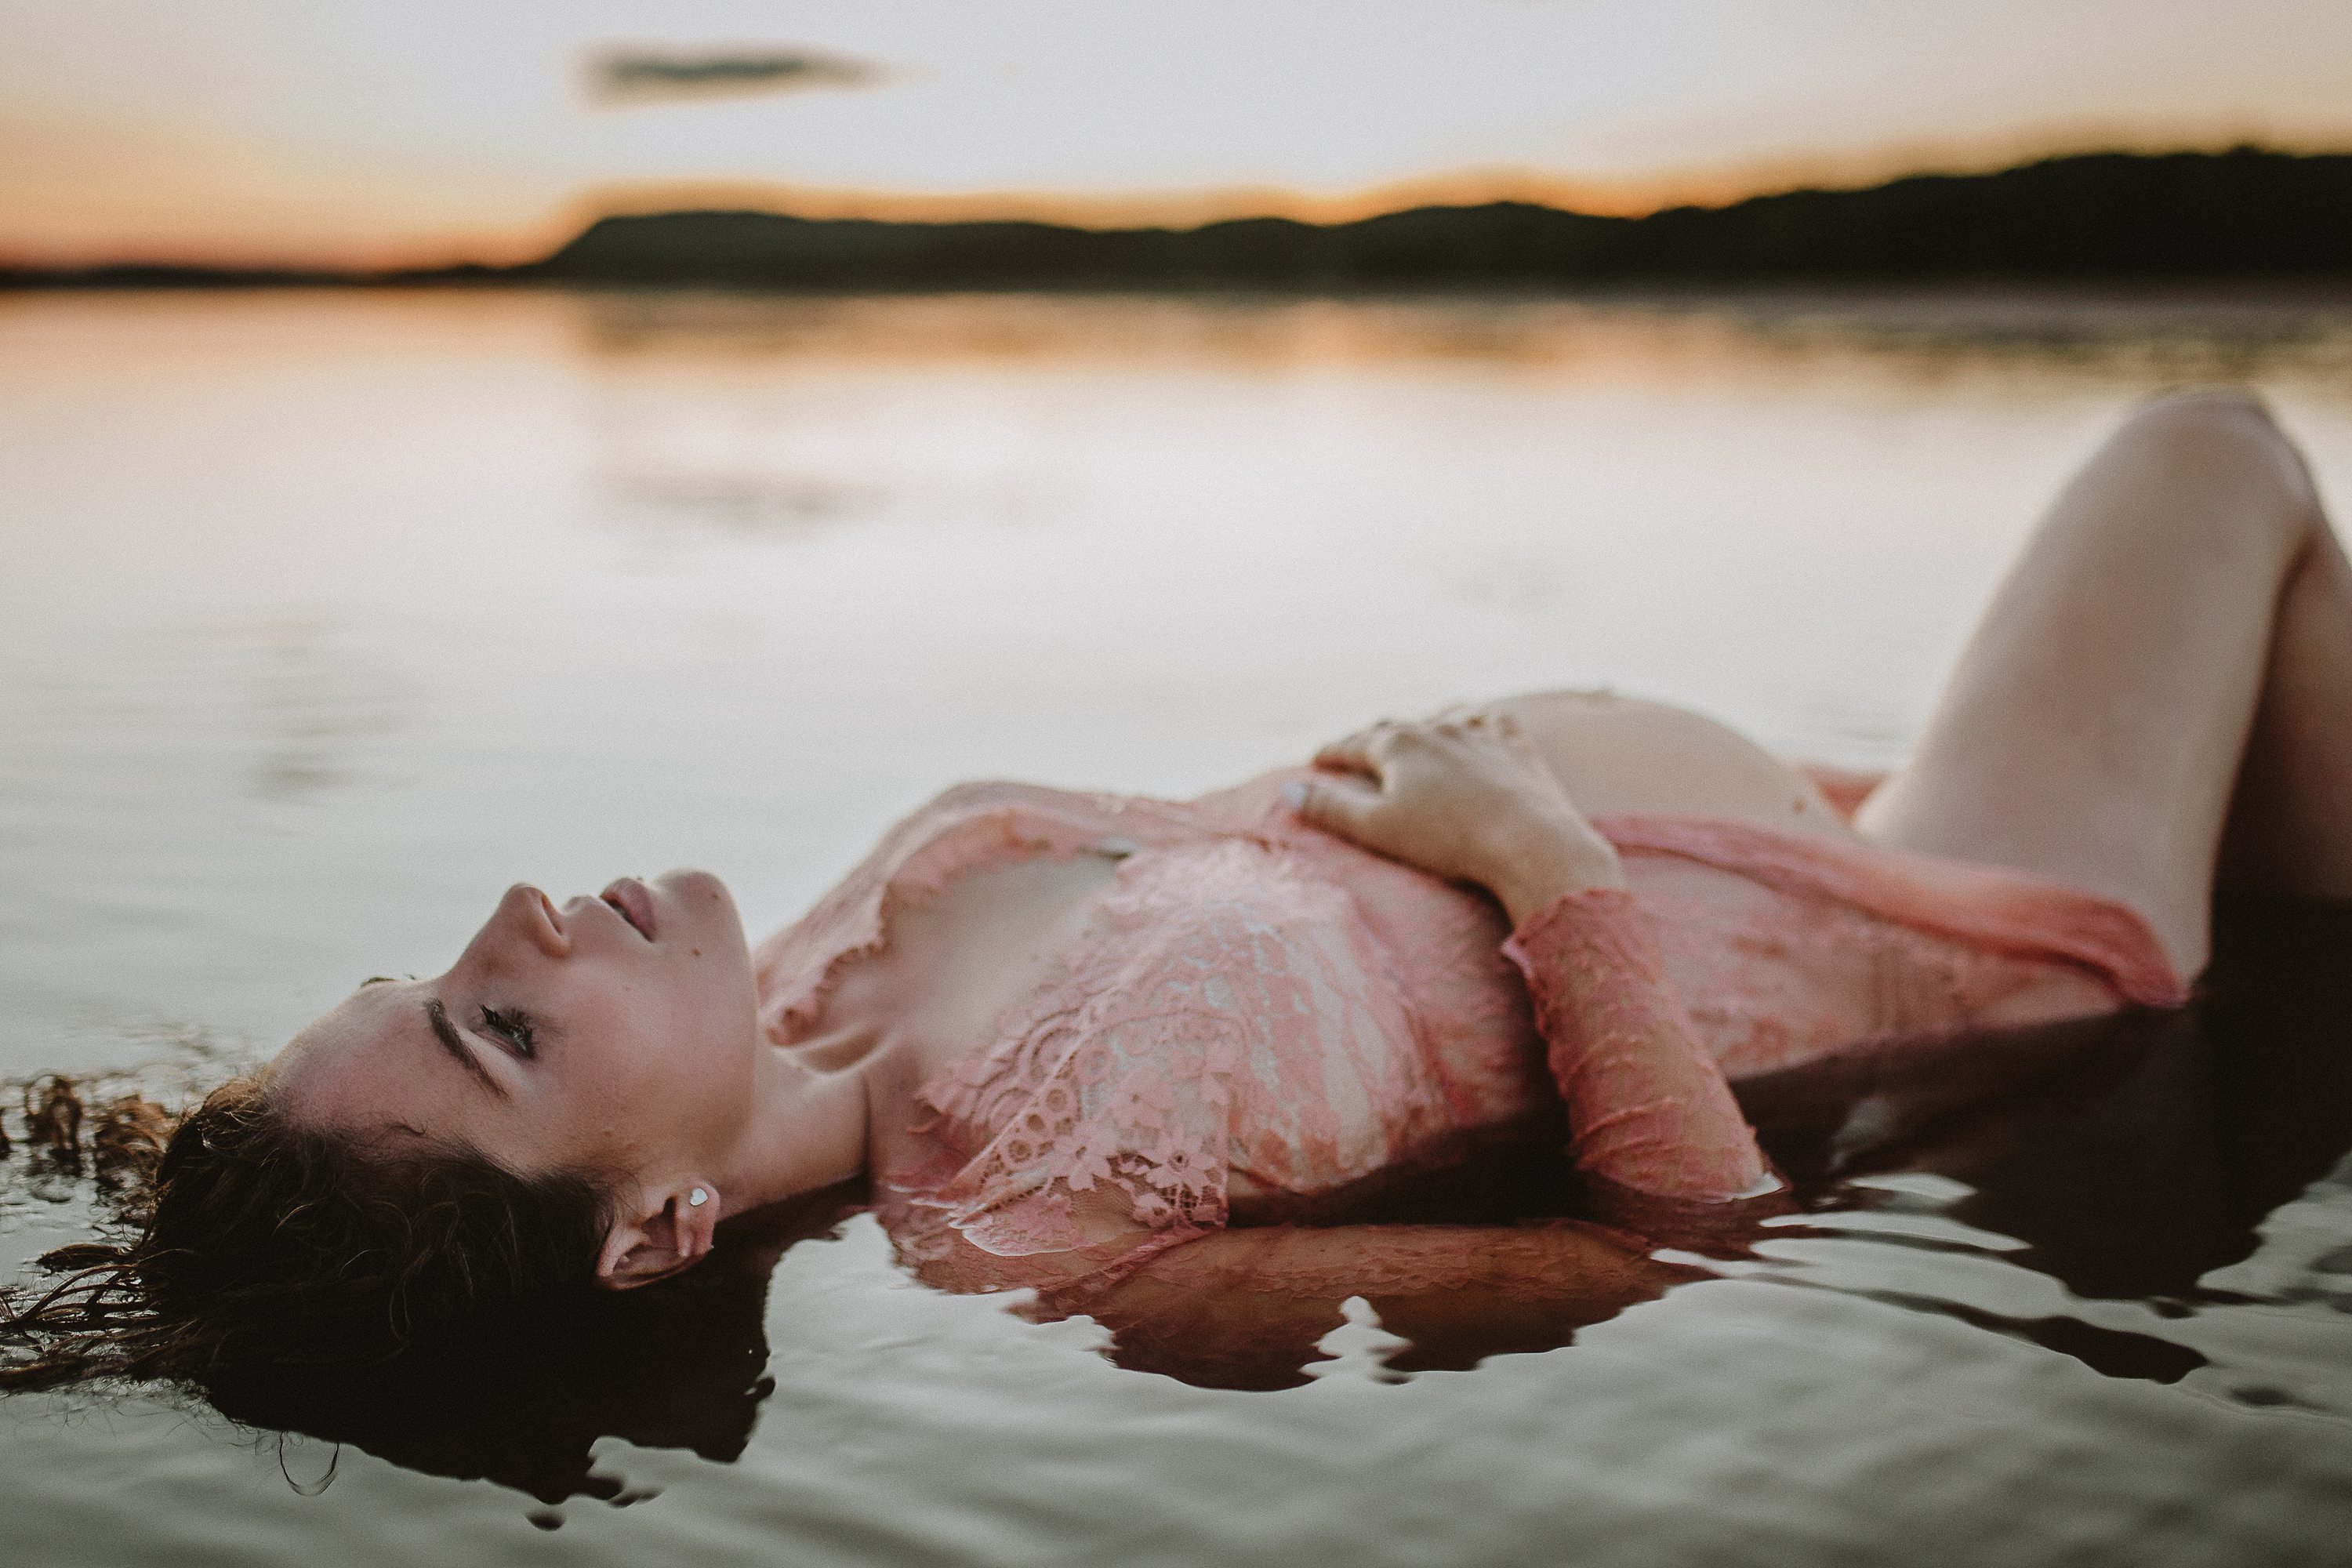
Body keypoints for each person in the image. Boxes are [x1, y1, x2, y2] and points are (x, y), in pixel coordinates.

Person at [5, 387, 2344, 1395]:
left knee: (2283, 626)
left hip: (1821, 810)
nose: (509, 921)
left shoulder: (818, 971)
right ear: (650, 1238)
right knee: (2210, 454)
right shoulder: (1060, 1235)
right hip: (1971, 926)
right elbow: (1690, 1237)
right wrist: (1538, 862)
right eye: (497, 1036)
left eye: (433, 967)